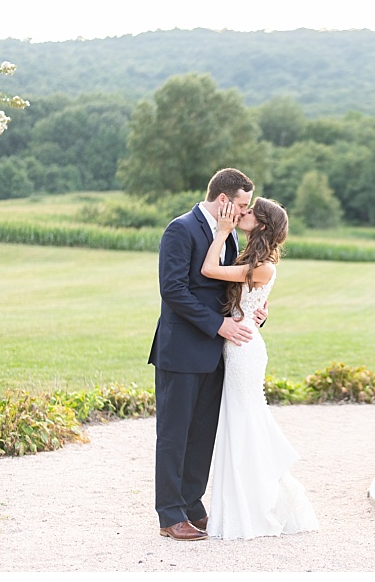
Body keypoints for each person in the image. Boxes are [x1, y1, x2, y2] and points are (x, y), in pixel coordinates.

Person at [147, 168, 266, 541]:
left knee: (202, 434)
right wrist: (219, 326)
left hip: (217, 354)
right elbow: (174, 290)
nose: (246, 212)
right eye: (243, 204)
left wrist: (251, 313)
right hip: (181, 350)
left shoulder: (226, 238)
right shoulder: (180, 229)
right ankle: (169, 515)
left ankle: (192, 506)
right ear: (224, 200)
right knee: (174, 434)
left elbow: (228, 291)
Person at [199, 196, 318, 539]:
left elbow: (209, 271)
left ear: (262, 225)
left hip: (244, 351)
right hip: (237, 343)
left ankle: (254, 506)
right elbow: (247, 303)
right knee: (239, 421)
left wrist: (221, 232)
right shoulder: (252, 257)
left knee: (244, 422)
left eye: (250, 212)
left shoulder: (264, 265)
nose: (242, 213)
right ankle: (241, 502)